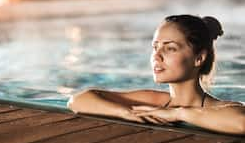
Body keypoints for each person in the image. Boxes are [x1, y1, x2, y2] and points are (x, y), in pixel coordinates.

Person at [67, 14, 245, 135]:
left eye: (170, 48)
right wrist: (125, 112)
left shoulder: (222, 108)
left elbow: (242, 123)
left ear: (199, 58)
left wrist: (177, 114)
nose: (156, 56)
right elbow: (78, 100)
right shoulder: (153, 101)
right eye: (155, 47)